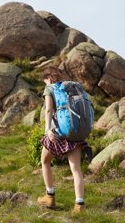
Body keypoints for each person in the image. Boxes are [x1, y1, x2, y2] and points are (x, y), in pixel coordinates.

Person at [37, 65, 89, 213]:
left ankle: (50, 197)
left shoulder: (50, 89)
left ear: (47, 78)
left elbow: (48, 110)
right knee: (76, 169)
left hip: (58, 133)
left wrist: (47, 130)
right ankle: (79, 205)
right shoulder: (70, 87)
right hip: (75, 132)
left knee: (45, 161)